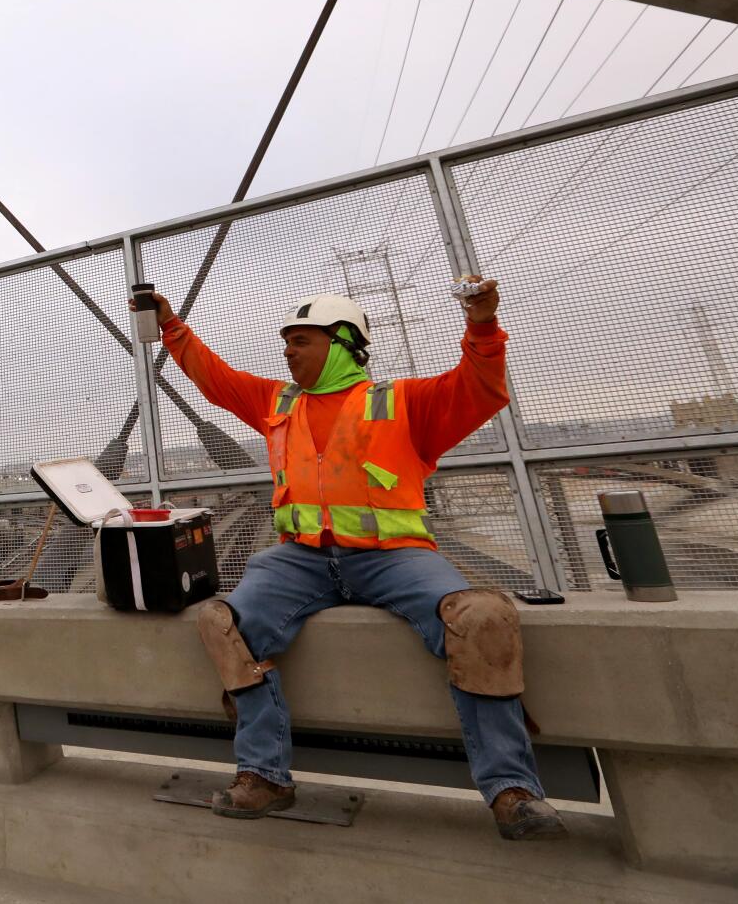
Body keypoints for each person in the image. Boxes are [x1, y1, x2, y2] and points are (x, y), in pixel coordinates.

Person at [148, 277, 565, 841]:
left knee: (482, 620)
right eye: (285, 341)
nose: (287, 350)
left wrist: (483, 325)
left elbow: (480, 388)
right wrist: (171, 327)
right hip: (299, 558)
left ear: (343, 342)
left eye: (300, 340)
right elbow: (215, 379)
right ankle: (265, 774)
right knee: (226, 623)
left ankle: (512, 790)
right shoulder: (278, 402)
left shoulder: (404, 403)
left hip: (395, 558)